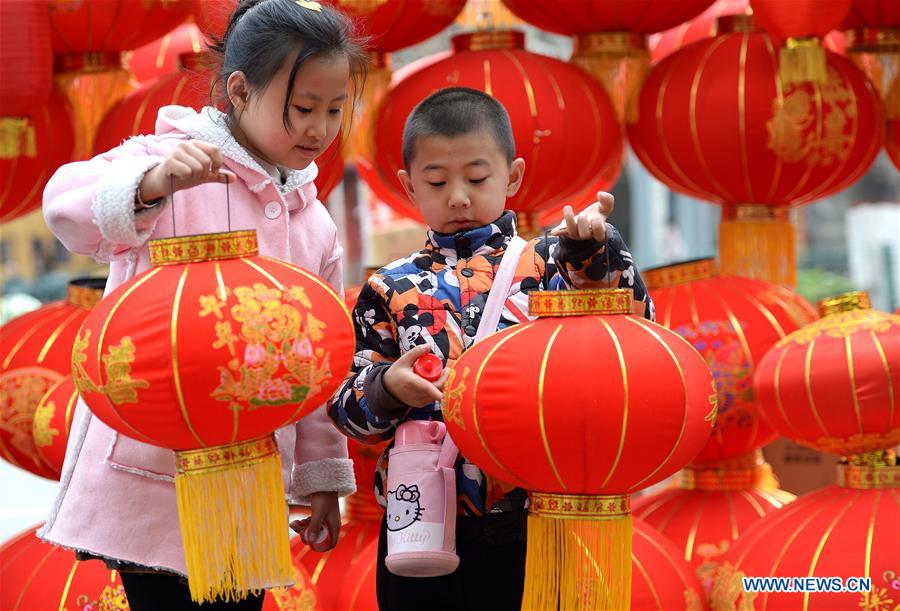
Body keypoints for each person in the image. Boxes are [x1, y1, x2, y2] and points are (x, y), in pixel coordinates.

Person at [39, 1, 366, 609]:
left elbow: (323, 358)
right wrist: (151, 183)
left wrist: (323, 480)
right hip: (152, 464)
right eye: (302, 109)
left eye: (333, 109)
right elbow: (64, 206)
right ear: (239, 91)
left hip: (253, 472)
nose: (320, 129)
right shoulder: (169, 160)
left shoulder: (314, 221)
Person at [327, 87, 655, 611]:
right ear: (411, 187)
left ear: (514, 176)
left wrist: (597, 254)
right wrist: (386, 389)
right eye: (437, 182)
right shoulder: (388, 287)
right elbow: (345, 411)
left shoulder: (553, 264)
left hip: (539, 515)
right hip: (422, 524)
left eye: (476, 179)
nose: (458, 196)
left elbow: (637, 333)